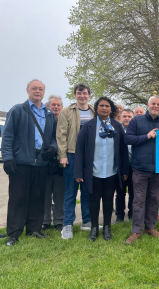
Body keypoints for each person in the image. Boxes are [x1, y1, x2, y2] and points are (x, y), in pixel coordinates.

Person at [2, 79, 57, 246]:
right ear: (27, 90)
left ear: (44, 92)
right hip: (21, 162)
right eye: (34, 88)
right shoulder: (18, 110)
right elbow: (8, 136)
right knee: (18, 198)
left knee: (37, 197)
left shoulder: (48, 113)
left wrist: (53, 148)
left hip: (41, 162)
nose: (37, 91)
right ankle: (14, 232)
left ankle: (34, 229)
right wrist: (8, 158)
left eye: (40, 89)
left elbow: (54, 138)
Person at [74, 97, 129, 241]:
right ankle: (93, 228)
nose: (104, 108)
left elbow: (123, 149)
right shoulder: (88, 126)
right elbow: (79, 148)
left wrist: (124, 170)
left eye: (107, 106)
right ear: (96, 108)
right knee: (93, 200)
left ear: (111, 109)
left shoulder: (117, 126)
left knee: (108, 200)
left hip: (111, 171)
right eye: (101, 105)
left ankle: (107, 228)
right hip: (93, 171)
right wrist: (78, 171)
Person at [124, 95, 159, 245]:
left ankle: (150, 226)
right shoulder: (136, 121)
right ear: (148, 105)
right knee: (138, 200)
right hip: (140, 168)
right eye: (153, 104)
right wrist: (146, 136)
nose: (156, 106)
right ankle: (136, 230)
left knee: (153, 199)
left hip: (158, 170)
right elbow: (128, 139)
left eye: (158, 104)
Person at [57, 83, 95, 239]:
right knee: (70, 192)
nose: (82, 95)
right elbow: (61, 135)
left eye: (85, 93)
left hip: (90, 157)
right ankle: (67, 225)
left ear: (89, 95)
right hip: (72, 155)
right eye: (79, 93)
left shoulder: (94, 111)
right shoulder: (67, 111)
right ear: (75, 95)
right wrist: (63, 155)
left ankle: (87, 222)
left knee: (87, 191)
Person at [42, 95, 65, 231]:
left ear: (61, 107)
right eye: (53, 105)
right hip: (45, 163)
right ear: (48, 106)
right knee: (45, 194)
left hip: (61, 164)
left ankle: (58, 221)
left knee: (59, 194)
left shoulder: (65, 121)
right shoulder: (44, 121)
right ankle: (45, 220)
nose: (56, 107)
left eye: (58, 105)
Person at [115, 109, 135, 223]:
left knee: (133, 193)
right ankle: (119, 215)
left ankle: (132, 214)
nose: (127, 118)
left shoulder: (136, 130)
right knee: (120, 193)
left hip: (134, 166)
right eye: (125, 116)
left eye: (129, 116)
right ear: (121, 117)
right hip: (121, 167)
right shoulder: (116, 130)